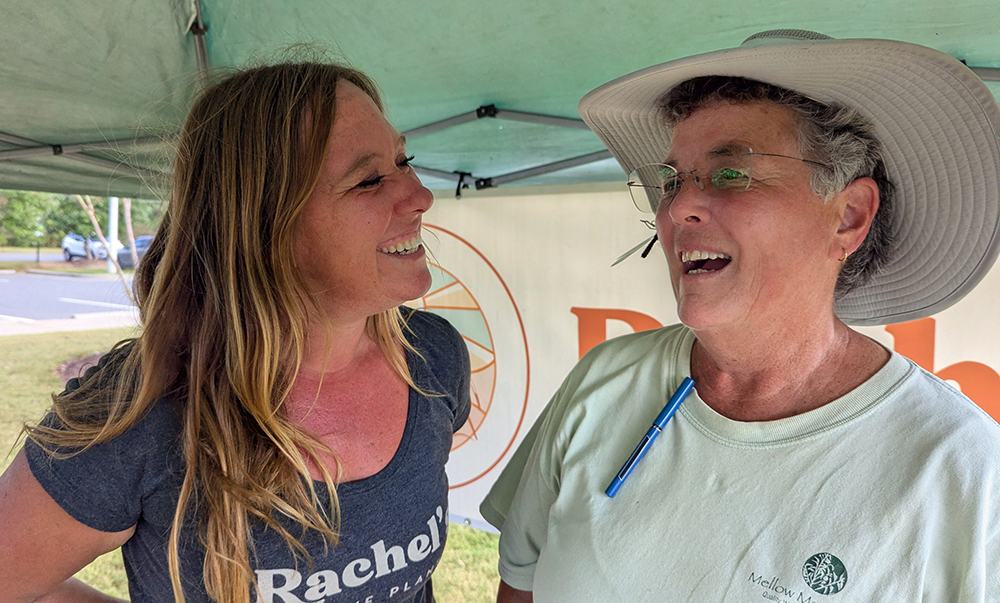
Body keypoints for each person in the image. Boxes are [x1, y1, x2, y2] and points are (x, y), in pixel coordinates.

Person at [481, 30, 1000, 602]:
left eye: (730, 174)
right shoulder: (603, 381)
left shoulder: (961, 470)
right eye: (672, 180)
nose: (677, 208)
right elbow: (520, 586)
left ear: (849, 216)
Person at [0, 61, 470, 602]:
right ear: (262, 223)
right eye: (369, 180)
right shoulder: (145, 412)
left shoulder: (433, 357)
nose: (420, 195)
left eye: (404, 160)